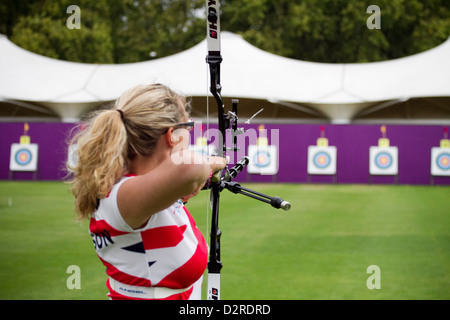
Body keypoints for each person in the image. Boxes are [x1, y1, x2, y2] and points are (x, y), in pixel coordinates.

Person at [68, 83, 226, 300]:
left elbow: (186, 174)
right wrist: (209, 165)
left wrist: (194, 181)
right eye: (187, 128)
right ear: (173, 135)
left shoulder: (138, 193)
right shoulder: (121, 197)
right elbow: (191, 167)